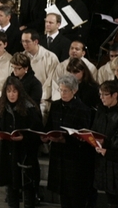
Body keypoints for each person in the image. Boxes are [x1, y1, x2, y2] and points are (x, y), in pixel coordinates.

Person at [0, 76, 44, 208]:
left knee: (28, 189)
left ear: (20, 91)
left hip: (24, 154)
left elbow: (38, 131)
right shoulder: (2, 106)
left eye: (14, 91)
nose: (11, 94)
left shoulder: (29, 107)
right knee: (11, 188)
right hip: (7, 152)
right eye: (8, 91)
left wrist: (24, 137)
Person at [46, 74, 96, 208]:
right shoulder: (55, 106)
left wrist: (66, 140)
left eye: (66, 90)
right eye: (61, 90)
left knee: (76, 195)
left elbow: (84, 137)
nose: (62, 93)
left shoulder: (83, 109)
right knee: (63, 194)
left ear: (74, 91)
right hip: (58, 155)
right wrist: (46, 136)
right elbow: (49, 126)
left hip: (74, 157)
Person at [94, 81, 118, 208]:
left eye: (105, 95)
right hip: (102, 160)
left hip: (116, 163)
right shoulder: (101, 110)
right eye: (100, 94)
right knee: (110, 199)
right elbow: (95, 128)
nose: (101, 98)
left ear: (115, 95)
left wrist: (105, 142)